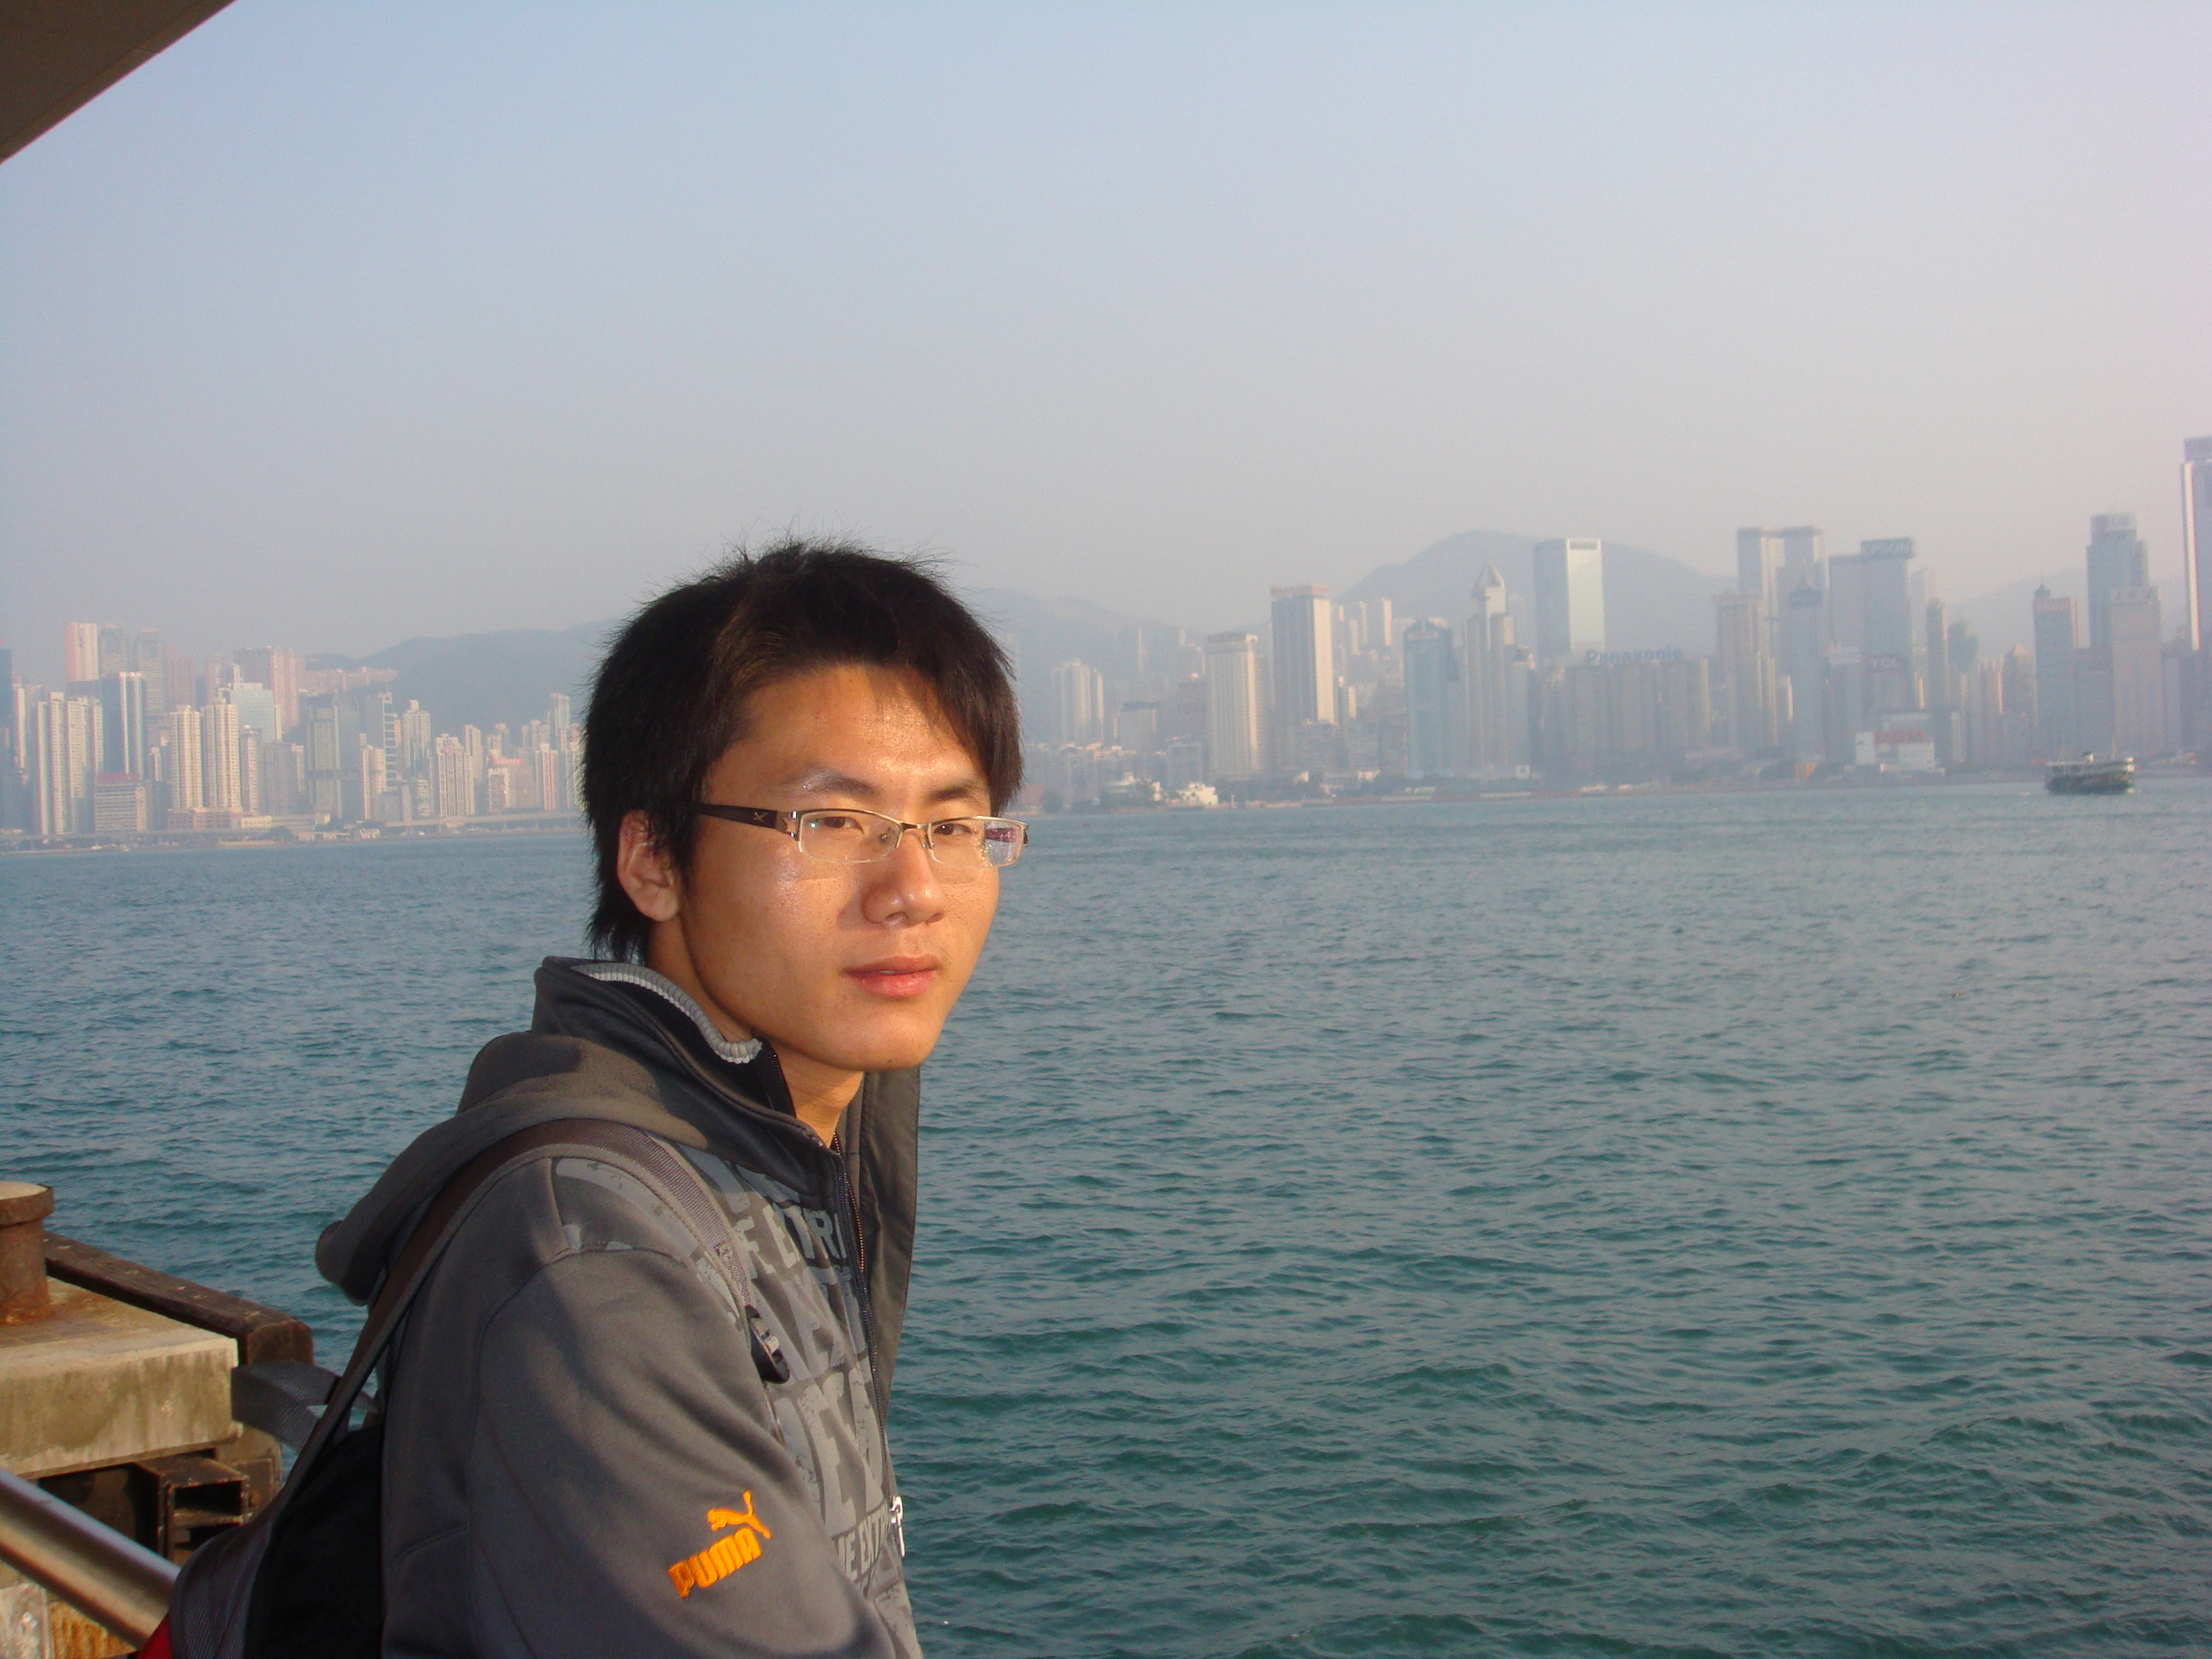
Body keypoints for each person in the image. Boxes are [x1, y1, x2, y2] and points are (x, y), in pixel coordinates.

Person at [316, 541, 1026, 1657]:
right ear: (652, 860)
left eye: (952, 825)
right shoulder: (591, 1260)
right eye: (833, 823)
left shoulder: (810, 1137)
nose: (915, 890)